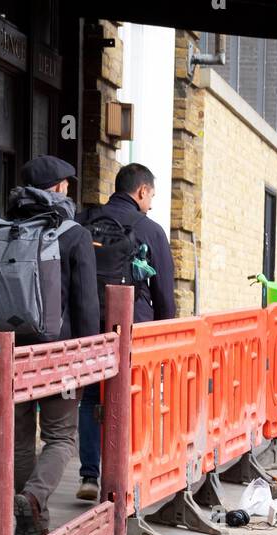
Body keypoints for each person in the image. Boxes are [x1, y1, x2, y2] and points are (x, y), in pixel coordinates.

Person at [0, 155, 100, 535]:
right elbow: (86, 304)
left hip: (6, 352)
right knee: (62, 437)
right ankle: (33, 499)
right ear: (58, 188)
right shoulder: (74, 234)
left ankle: (26, 517)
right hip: (57, 355)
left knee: (20, 436)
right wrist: (89, 356)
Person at [76, 163, 177, 500]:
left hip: (91, 324)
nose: (150, 203)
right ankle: (126, 477)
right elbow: (163, 291)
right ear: (142, 192)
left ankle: (90, 476)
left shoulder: (85, 222)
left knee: (91, 397)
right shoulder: (151, 230)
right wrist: (166, 333)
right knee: (133, 397)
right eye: (151, 196)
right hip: (136, 329)